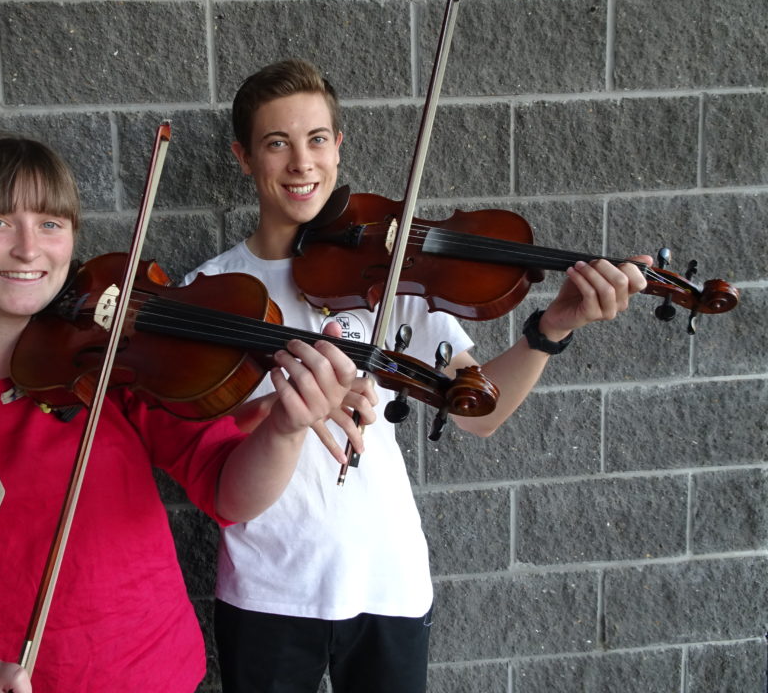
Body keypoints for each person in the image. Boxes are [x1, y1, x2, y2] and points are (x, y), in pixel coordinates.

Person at [0, 133, 372, 693]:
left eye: (51, 224)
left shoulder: (118, 354)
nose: (29, 249)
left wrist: (284, 429)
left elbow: (228, 491)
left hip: (147, 674)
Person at [180, 59, 654, 693]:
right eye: (277, 143)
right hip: (269, 587)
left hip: (389, 580)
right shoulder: (207, 292)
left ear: (339, 147)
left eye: (317, 139)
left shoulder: (389, 273)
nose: (302, 163)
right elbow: (197, 450)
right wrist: (279, 412)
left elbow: (477, 411)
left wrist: (553, 328)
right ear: (243, 157)